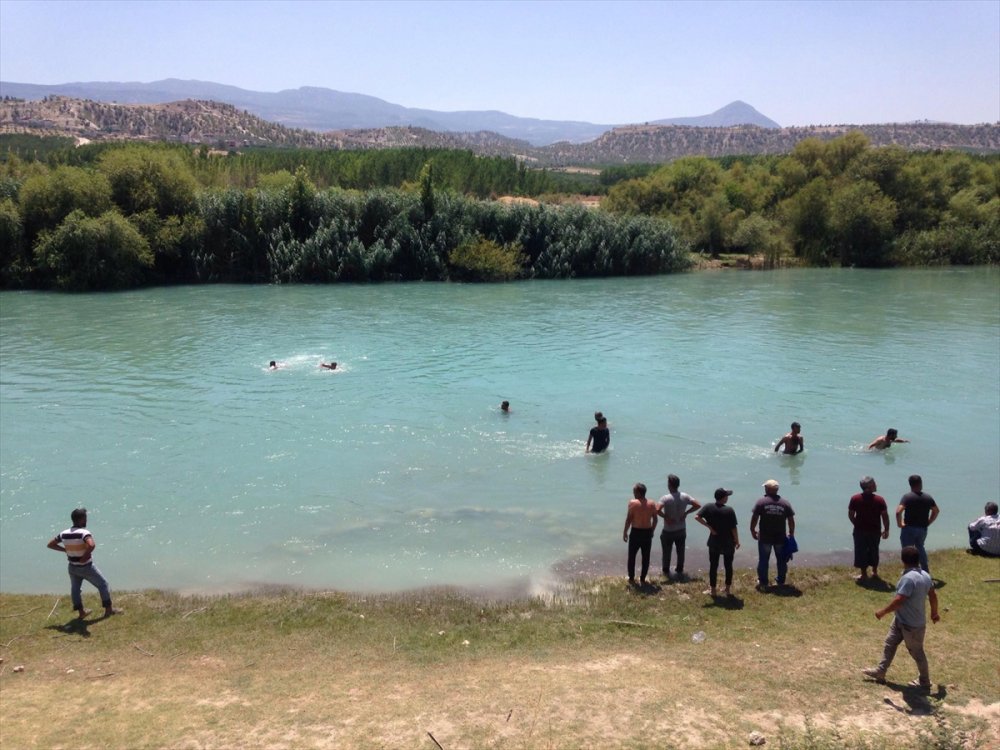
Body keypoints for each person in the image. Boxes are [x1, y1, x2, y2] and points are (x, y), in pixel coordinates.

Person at [862, 546, 940, 692]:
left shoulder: (908, 579)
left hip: (912, 626)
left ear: (903, 560)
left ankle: (924, 681)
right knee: (889, 643)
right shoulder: (925, 575)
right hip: (900, 620)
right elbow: (933, 595)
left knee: (917, 652)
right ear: (917, 560)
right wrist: (934, 613)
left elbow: (899, 600)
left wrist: (883, 612)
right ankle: (881, 671)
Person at [47, 508, 120, 619]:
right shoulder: (84, 533)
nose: (86, 521)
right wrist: (84, 556)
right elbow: (91, 545)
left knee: (75, 589)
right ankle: (109, 610)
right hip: (86, 567)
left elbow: (50, 544)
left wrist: (65, 550)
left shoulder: (64, 533)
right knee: (103, 584)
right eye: (85, 518)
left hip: (72, 567)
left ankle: (81, 612)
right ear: (81, 519)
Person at [750, 479, 796, 590]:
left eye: (765, 487)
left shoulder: (761, 502)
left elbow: (755, 517)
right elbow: (791, 520)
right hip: (780, 537)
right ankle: (780, 581)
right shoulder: (785, 503)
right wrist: (791, 533)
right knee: (781, 560)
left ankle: (763, 582)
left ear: (767, 489)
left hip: (765, 537)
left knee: (763, 560)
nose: (764, 489)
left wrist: (752, 530)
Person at [695, 488, 740, 597]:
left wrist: (709, 527)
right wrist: (737, 540)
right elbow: (733, 528)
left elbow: (697, 517)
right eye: (727, 496)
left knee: (713, 566)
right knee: (728, 566)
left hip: (714, 541)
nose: (727, 497)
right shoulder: (729, 510)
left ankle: (713, 590)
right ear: (723, 498)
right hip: (728, 542)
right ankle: (727, 590)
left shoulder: (708, 507)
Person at [657, 474, 701, 580]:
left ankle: (666, 571)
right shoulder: (685, 496)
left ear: (669, 485)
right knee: (680, 551)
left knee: (666, 551)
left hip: (668, 530)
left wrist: (665, 517)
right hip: (681, 529)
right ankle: (679, 570)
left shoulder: (665, 498)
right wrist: (686, 513)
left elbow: (657, 510)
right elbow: (698, 505)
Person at [849, 476, 890, 581]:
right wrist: (886, 529)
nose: (876, 485)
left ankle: (864, 574)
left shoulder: (855, 498)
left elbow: (851, 514)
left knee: (861, 550)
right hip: (874, 530)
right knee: (874, 550)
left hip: (860, 530)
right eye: (874, 484)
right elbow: (885, 516)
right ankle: (874, 572)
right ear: (869, 487)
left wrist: (856, 524)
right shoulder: (879, 500)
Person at [896, 475, 938, 574]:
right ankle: (925, 569)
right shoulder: (928, 497)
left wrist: (900, 523)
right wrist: (929, 521)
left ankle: (908, 571)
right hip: (922, 528)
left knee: (907, 550)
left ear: (910, 484)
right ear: (921, 483)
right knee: (920, 547)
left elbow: (898, 512)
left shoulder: (907, 497)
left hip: (909, 528)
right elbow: (936, 511)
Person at [623, 483, 659, 586]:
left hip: (636, 532)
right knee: (646, 557)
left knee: (632, 556)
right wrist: (652, 531)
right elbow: (655, 519)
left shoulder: (632, 503)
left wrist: (625, 532)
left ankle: (631, 578)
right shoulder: (652, 503)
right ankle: (643, 578)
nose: (633, 493)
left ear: (638, 492)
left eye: (634, 491)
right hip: (647, 532)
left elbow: (629, 519)